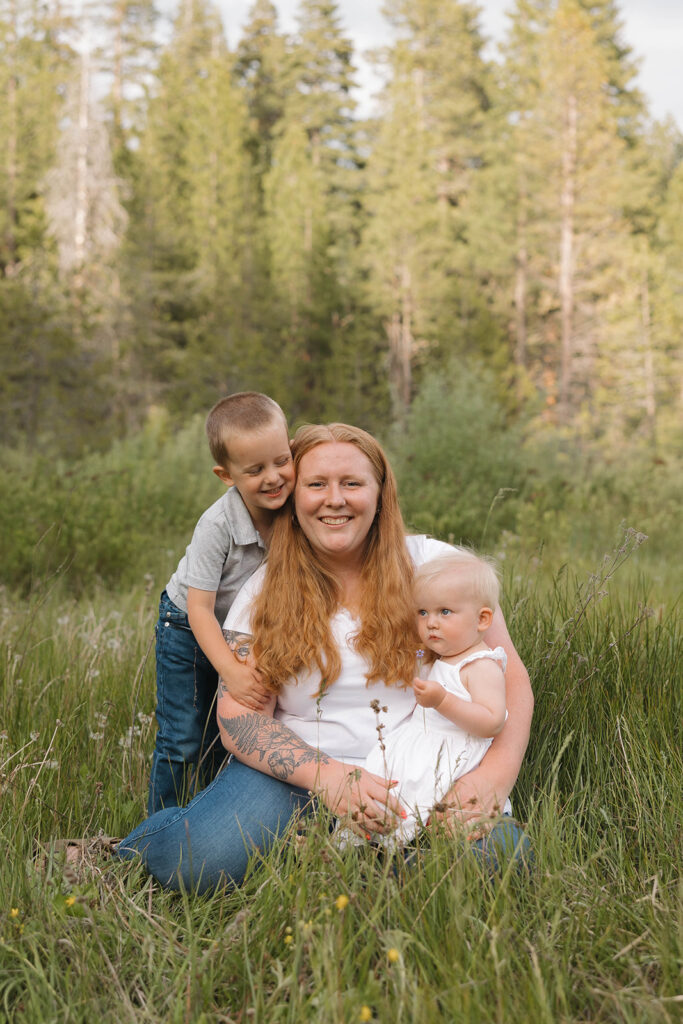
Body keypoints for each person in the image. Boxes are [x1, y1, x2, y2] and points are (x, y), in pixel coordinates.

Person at [117, 424, 533, 892]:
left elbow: (509, 675)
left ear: (381, 492)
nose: (334, 499)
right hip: (299, 777)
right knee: (195, 863)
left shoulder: (437, 564)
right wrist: (331, 779)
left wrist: (497, 775)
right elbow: (238, 715)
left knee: (504, 862)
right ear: (295, 496)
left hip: (431, 776)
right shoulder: (264, 588)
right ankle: (127, 847)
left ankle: (358, 872)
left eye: (352, 483)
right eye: (317, 484)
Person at [147, 392, 294, 814]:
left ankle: (208, 818)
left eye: (282, 461)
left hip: (239, 628)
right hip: (189, 627)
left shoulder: (294, 509)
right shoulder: (217, 526)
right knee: (183, 736)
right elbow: (199, 609)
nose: (274, 477)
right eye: (255, 470)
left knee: (222, 732)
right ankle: (162, 828)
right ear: (226, 475)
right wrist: (229, 668)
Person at [358, 550, 507, 845]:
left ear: (482, 619)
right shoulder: (444, 657)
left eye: (445, 612)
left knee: (428, 811)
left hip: (452, 757)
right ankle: (372, 846)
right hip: (420, 747)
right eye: (423, 613)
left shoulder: (480, 665)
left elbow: (492, 721)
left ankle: (413, 847)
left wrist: (443, 701)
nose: (431, 623)